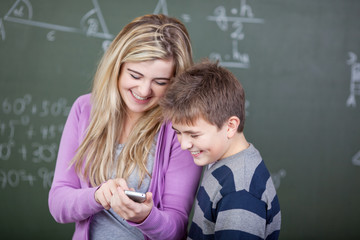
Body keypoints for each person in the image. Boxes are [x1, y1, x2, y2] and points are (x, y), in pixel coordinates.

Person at [48, 14, 202, 240]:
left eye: (160, 82)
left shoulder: (179, 128)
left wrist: (145, 217)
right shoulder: (84, 109)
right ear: (117, 67)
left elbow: (176, 228)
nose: (144, 90)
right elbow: (58, 204)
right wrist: (98, 196)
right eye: (135, 75)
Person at [160, 60, 281, 239]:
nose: (184, 144)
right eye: (178, 132)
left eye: (194, 135)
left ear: (230, 126)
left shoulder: (241, 192)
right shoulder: (223, 163)